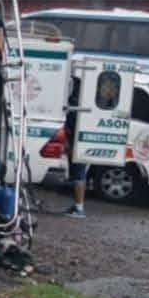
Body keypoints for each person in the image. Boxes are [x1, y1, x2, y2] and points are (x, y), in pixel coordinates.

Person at [64, 77, 87, 218]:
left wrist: (69, 144)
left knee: (79, 175)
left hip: (77, 143)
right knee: (79, 175)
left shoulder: (74, 105)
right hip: (79, 142)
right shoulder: (82, 103)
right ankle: (77, 206)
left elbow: (70, 126)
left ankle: (79, 208)